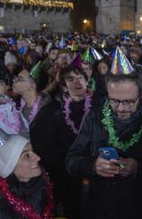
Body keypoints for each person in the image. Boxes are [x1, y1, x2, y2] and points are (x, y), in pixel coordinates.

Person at [66, 47, 142, 219]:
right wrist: (93, 166)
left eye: (128, 102)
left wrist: (138, 168)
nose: (120, 108)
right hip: (100, 209)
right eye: (114, 101)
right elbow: (71, 160)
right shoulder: (95, 117)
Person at [30, 65, 95, 218]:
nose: (76, 82)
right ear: (64, 87)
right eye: (70, 79)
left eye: (80, 77)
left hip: (95, 173)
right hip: (66, 176)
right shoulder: (52, 110)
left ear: (87, 81)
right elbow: (41, 142)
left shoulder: (100, 106)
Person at [0, 123, 53, 219]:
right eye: (26, 156)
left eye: (33, 150)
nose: (37, 158)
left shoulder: (39, 183)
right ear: (9, 170)